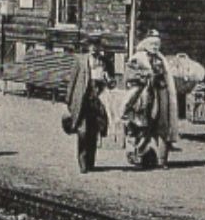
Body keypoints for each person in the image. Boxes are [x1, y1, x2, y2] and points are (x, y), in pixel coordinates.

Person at [121, 31, 180, 166]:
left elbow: (166, 77)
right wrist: (144, 76)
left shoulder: (161, 59)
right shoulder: (137, 58)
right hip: (142, 96)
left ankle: (161, 159)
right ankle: (137, 154)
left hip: (160, 94)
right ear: (146, 44)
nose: (155, 46)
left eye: (157, 44)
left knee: (162, 125)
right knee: (140, 126)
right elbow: (129, 77)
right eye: (152, 43)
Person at [62, 32, 110, 173]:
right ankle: (82, 161)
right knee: (82, 132)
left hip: (97, 101)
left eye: (97, 45)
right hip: (83, 101)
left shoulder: (104, 62)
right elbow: (72, 80)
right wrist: (69, 100)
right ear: (88, 46)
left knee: (94, 132)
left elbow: (110, 82)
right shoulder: (81, 60)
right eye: (92, 45)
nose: (94, 48)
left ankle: (91, 162)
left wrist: (108, 80)